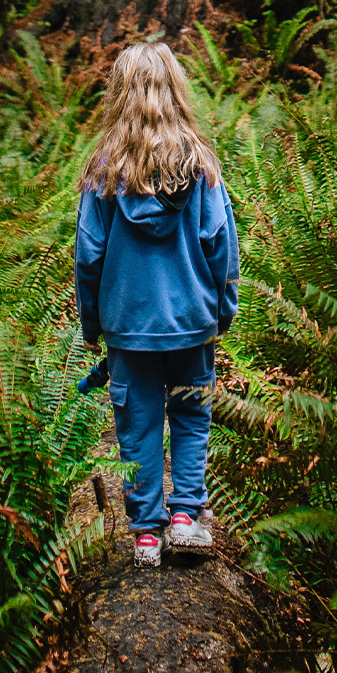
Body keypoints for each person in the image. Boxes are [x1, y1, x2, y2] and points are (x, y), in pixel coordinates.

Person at [73, 41, 240, 568]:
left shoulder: (102, 172)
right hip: (192, 322)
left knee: (136, 425)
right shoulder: (201, 167)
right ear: (175, 91)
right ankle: (187, 518)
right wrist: (223, 312)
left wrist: (94, 325)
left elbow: (88, 255)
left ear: (119, 96)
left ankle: (147, 533)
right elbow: (221, 245)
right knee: (191, 417)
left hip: (128, 326)